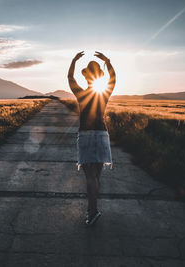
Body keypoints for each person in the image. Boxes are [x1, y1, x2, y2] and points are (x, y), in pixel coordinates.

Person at [67, 51, 116, 226]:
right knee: (97, 176)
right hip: (102, 135)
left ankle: (92, 211)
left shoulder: (81, 93)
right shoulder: (104, 94)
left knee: (90, 176)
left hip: (86, 135)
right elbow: (113, 78)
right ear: (99, 77)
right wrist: (107, 62)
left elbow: (70, 78)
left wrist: (73, 61)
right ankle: (93, 210)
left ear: (87, 76)